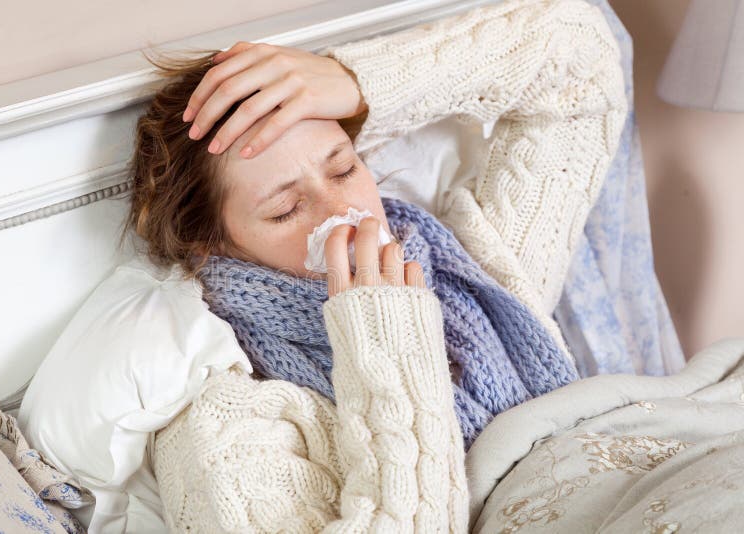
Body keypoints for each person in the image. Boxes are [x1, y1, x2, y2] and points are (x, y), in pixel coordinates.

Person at [123, 0, 627, 530]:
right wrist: (386, 342)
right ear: (212, 246)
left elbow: (580, 61)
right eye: (285, 209)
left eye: (343, 169)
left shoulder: (474, 269)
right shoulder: (234, 423)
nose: (345, 213)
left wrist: (358, 83)